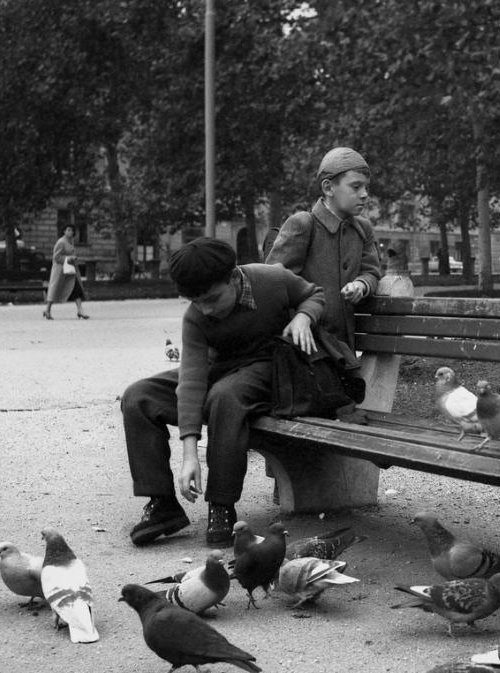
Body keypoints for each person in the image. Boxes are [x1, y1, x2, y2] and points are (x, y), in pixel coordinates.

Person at [121, 238, 326, 547]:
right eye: (196, 301)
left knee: (224, 397)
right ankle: (163, 505)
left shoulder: (272, 280)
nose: (206, 309)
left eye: (213, 299)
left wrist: (303, 315)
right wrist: (190, 455)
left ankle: (222, 504)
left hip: (272, 370)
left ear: (233, 277)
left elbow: (315, 294)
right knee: (139, 396)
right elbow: (190, 382)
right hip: (223, 372)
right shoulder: (196, 315)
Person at [264, 147, 382, 349]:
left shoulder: (363, 228)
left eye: (366, 187)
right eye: (356, 187)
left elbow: (371, 271)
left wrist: (361, 285)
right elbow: (272, 285)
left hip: (345, 346)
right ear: (328, 188)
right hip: (305, 344)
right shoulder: (302, 224)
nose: (364, 195)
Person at [44, 225, 89, 320]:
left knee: (77, 289)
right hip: (61, 272)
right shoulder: (61, 242)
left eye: (72, 230)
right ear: (64, 231)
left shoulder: (70, 241)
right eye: (68, 230)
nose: (71, 232)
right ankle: (47, 310)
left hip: (70, 272)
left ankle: (80, 310)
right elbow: (56, 257)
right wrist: (69, 258)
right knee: (55, 290)